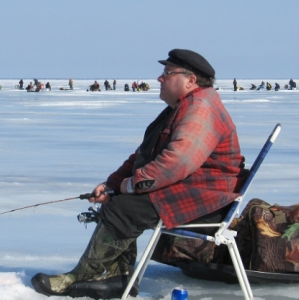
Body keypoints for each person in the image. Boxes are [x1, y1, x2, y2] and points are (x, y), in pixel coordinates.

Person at [31, 49, 248, 298]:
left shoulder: (201, 109)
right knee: (122, 203)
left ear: (191, 80)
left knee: (126, 208)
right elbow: (143, 155)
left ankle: (84, 276)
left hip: (207, 199)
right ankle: (117, 277)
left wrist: (130, 186)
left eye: (168, 73)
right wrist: (112, 185)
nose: (160, 78)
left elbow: (176, 163)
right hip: (188, 190)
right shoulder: (182, 107)